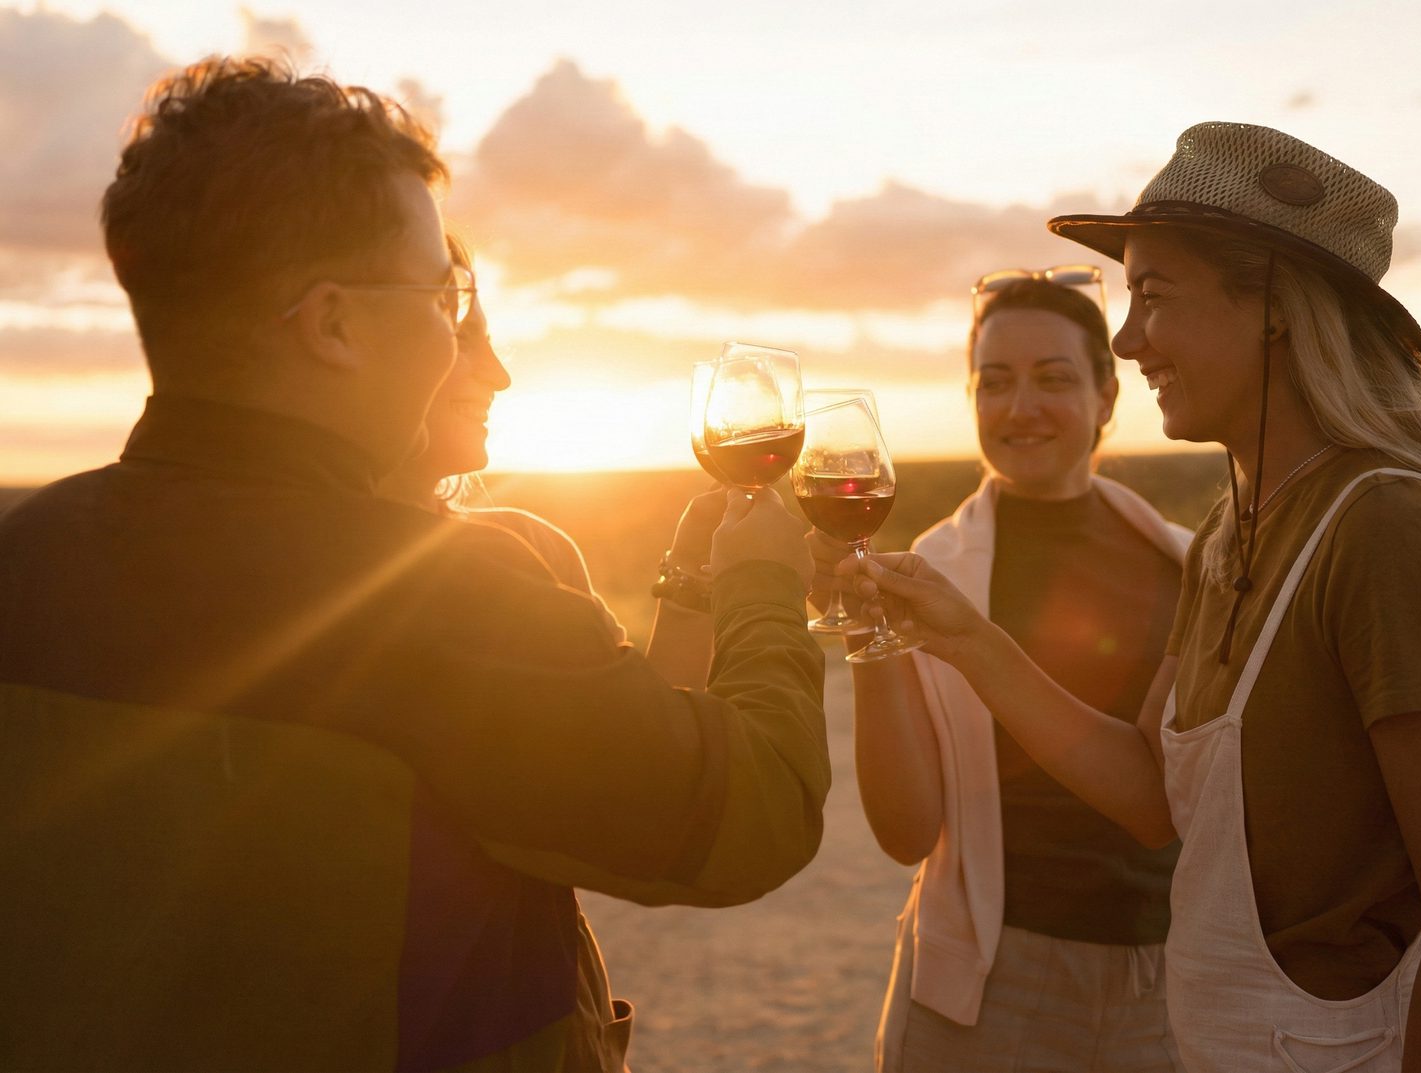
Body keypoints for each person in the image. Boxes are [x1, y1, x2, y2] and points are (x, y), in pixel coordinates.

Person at [0, 57, 827, 1072]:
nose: (457, 336)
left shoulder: (24, 558)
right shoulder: (435, 599)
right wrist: (761, 581)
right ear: (336, 324)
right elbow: (752, 810)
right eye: (444, 293)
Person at [836, 122, 1421, 1073]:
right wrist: (965, 638)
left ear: (1270, 305)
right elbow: (1151, 795)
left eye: (1152, 295)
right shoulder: (1234, 533)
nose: (1126, 335)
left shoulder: (1391, 530)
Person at [811, 271, 1188, 1072]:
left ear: (1107, 396)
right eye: (995, 382)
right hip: (988, 988)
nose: (1021, 408)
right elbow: (906, 831)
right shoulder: (935, 573)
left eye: (1053, 379)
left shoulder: (1188, 563)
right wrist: (867, 630)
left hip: (1169, 982)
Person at [377, 235, 716, 688]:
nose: (500, 376)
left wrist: (691, 570)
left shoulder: (536, 544)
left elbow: (641, 737)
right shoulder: (321, 572)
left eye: (491, 344)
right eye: (462, 338)